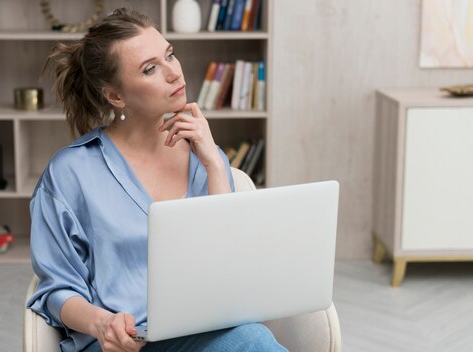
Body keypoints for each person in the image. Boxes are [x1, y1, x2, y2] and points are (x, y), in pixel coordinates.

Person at [27, 8, 287, 352]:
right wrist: (102, 323)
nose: (173, 73)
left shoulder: (204, 157)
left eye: (170, 55)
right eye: (150, 68)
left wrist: (212, 162)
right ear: (115, 96)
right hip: (120, 345)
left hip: (202, 335)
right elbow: (56, 289)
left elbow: (229, 266)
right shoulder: (70, 173)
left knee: (251, 338)